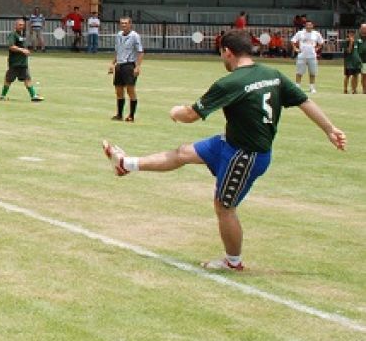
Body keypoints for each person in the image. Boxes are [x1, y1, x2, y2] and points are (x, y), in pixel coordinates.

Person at [102, 29, 347, 271]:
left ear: (227, 52)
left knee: (224, 207)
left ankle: (233, 261)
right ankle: (126, 164)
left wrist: (175, 111)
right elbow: (305, 101)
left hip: (246, 155)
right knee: (183, 153)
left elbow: (190, 115)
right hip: (229, 143)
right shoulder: (272, 74)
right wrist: (330, 129)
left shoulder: (230, 83)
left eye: (221, 54)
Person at [0, 18, 44, 102]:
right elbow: (11, 46)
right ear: (15, 25)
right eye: (20, 25)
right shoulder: (13, 34)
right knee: (9, 79)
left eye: (23, 25)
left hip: (23, 63)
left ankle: (33, 96)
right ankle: (2, 96)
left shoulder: (22, 35)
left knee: (27, 78)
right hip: (15, 63)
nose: (21, 26)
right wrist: (22, 50)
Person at [108, 16, 143, 122]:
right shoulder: (118, 35)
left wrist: (137, 66)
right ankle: (119, 114)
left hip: (129, 65)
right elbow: (117, 50)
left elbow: (140, 52)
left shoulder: (135, 36)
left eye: (125, 23)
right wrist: (112, 63)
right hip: (119, 65)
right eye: (122, 23)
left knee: (130, 90)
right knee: (118, 90)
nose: (123, 25)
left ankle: (131, 115)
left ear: (130, 24)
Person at [290, 20, 324, 94]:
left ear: (312, 26)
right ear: (305, 26)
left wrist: (317, 48)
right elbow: (293, 41)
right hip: (302, 56)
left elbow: (321, 42)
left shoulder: (316, 34)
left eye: (310, 25)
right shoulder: (300, 33)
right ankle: (297, 86)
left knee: (312, 72)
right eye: (307, 25)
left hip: (312, 56)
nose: (308, 26)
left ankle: (312, 88)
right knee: (299, 72)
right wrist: (295, 48)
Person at [343, 29, 362, 94]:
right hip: (349, 62)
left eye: (353, 33)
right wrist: (351, 42)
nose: (352, 35)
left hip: (356, 62)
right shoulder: (346, 42)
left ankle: (354, 89)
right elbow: (349, 51)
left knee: (356, 76)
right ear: (348, 34)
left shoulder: (357, 41)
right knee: (347, 76)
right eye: (350, 33)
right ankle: (345, 89)